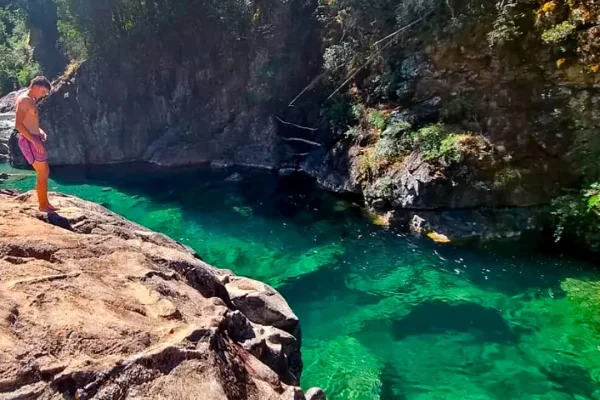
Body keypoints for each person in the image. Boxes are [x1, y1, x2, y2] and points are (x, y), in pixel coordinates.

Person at [14, 76, 57, 212]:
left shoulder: (30, 99)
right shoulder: (24, 100)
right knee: (43, 171)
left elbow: (29, 121)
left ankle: (45, 203)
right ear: (36, 87)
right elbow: (18, 125)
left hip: (33, 138)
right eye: (43, 92)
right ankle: (43, 205)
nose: (43, 95)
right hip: (29, 140)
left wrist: (40, 131)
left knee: (44, 171)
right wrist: (34, 141)